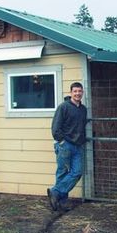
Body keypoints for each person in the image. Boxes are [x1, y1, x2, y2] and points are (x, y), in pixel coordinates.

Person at [48, 82, 87, 211]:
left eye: (79, 91)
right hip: (65, 145)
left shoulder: (83, 109)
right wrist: (62, 142)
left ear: (82, 92)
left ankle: (55, 192)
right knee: (62, 172)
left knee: (77, 172)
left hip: (78, 146)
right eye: (75, 91)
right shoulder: (63, 107)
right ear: (71, 92)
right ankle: (61, 202)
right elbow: (55, 128)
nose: (77, 93)